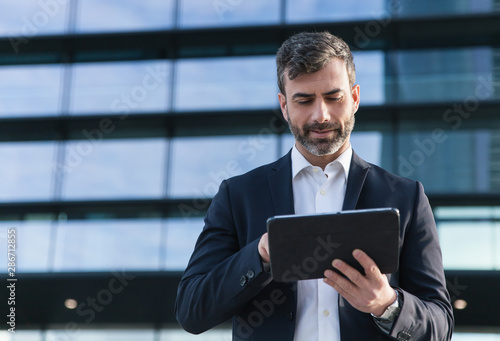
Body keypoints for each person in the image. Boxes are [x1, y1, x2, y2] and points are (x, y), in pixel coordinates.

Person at [175, 31, 454, 341]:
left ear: (355, 98)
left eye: (334, 98)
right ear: (284, 106)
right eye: (304, 100)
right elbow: (191, 311)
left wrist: (386, 304)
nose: (321, 115)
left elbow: (440, 326)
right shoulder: (238, 195)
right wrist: (260, 255)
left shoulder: (407, 197)